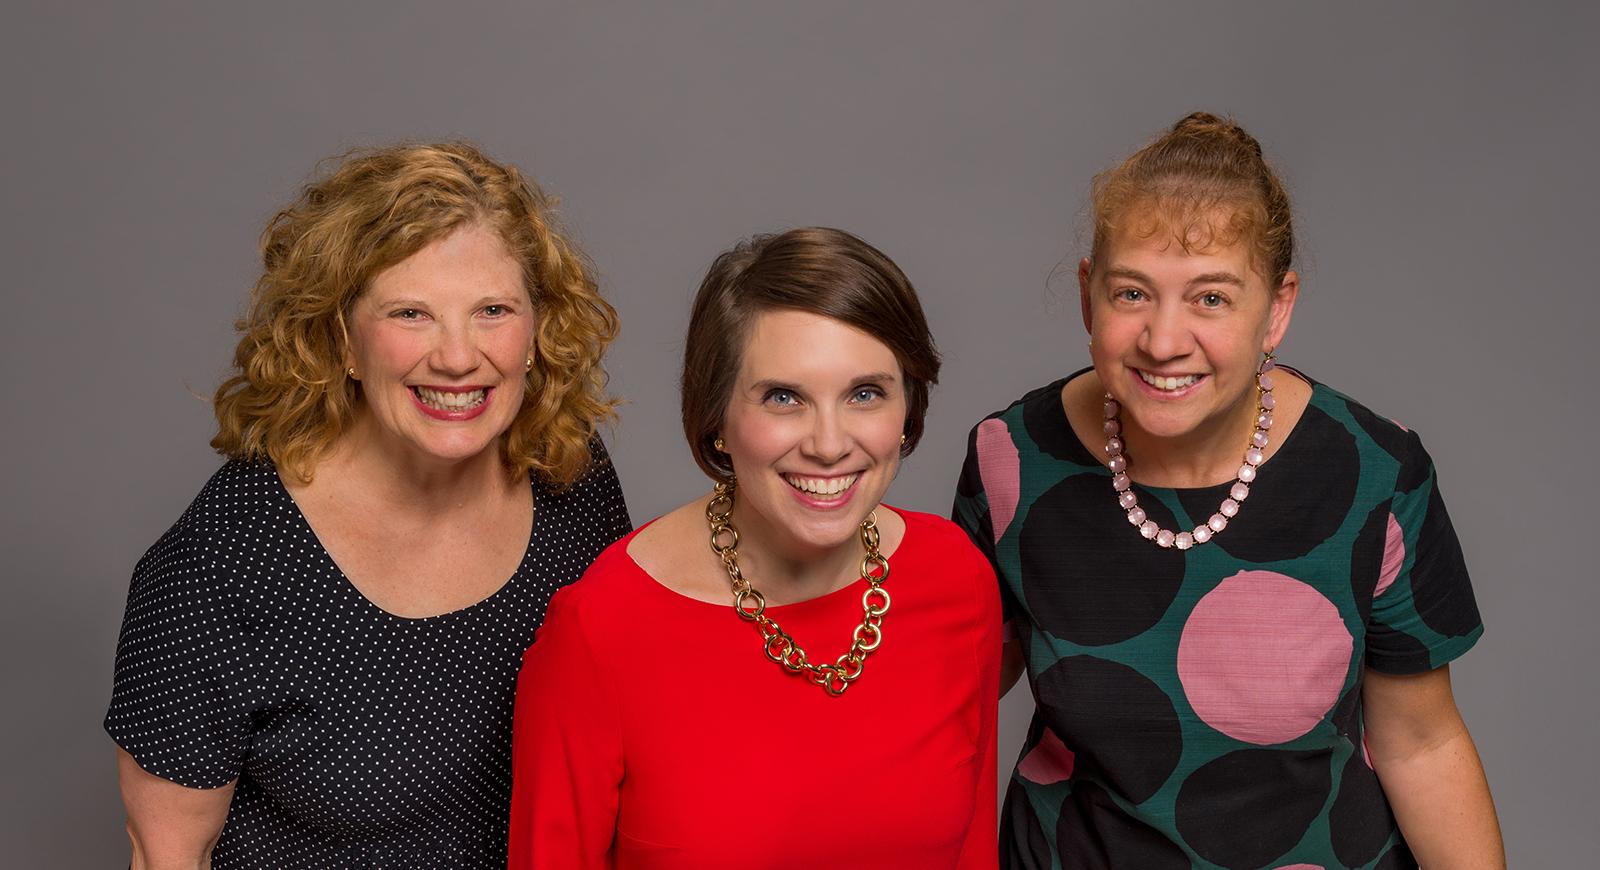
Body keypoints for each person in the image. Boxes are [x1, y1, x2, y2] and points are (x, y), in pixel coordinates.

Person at [953, 113, 1504, 869]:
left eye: (1211, 298)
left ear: (1276, 309)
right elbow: (954, 696)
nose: (1164, 339)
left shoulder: (1378, 471)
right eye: (1132, 294)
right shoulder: (1009, 457)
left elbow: (1422, 741)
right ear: (1088, 297)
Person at [105, 142, 631, 869]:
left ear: (537, 330)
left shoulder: (570, 473)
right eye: (411, 313)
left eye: (492, 310)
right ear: (342, 338)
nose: (457, 357)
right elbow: (166, 856)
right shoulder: (214, 571)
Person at [508, 227, 1001, 869]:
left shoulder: (954, 577)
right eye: (783, 397)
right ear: (716, 416)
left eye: (865, 393)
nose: (829, 444)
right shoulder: (602, 629)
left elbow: (974, 854)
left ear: (908, 408)